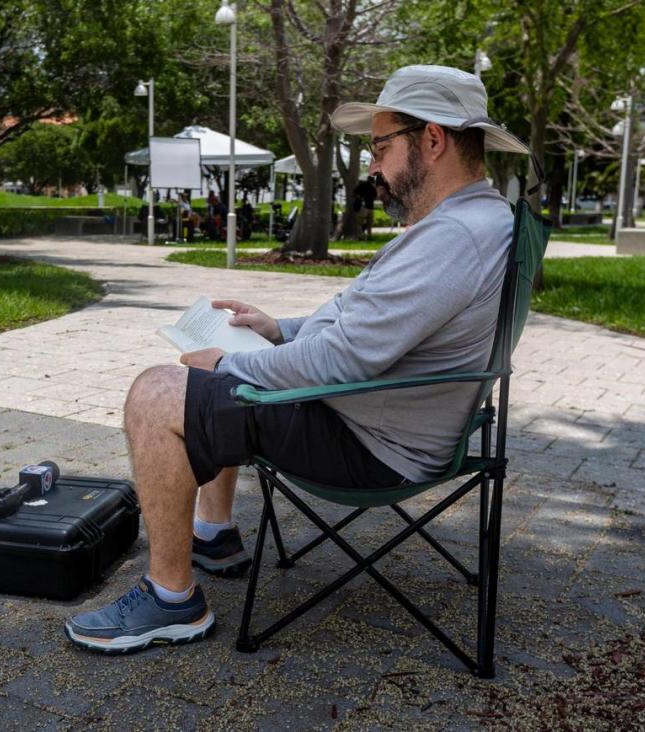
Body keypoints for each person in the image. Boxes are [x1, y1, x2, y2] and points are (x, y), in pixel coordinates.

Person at [64, 65, 531, 654]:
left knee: (159, 394)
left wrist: (227, 366)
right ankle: (211, 533)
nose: (373, 166)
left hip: (369, 443)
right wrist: (275, 329)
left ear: (432, 140)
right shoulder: (469, 222)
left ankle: (172, 599)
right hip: (375, 418)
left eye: (381, 147)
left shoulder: (454, 236)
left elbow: (346, 356)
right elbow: (363, 322)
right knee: (222, 367)